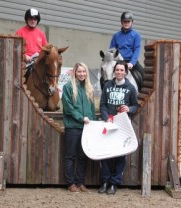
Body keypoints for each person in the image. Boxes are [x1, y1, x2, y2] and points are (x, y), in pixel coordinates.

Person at [98, 60, 139, 195]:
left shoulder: (131, 88)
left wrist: (129, 108)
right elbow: (102, 104)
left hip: (122, 125)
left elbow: (135, 106)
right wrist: (106, 117)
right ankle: (104, 181)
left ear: (126, 72)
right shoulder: (107, 85)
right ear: (114, 71)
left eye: (122, 70)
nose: (119, 72)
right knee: (106, 153)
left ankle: (114, 183)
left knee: (120, 154)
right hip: (109, 123)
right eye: (117, 70)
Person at [61, 62, 96, 193]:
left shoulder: (89, 88)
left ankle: (80, 182)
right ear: (74, 72)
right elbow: (68, 107)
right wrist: (81, 118)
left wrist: (92, 121)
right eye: (79, 71)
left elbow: (92, 108)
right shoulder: (68, 87)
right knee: (71, 156)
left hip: (86, 128)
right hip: (73, 127)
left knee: (83, 156)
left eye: (84, 71)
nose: (82, 74)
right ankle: (71, 183)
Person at [110, 11, 144, 90]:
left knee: (143, 74)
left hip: (130, 62)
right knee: (106, 74)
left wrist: (132, 62)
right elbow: (112, 50)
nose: (126, 23)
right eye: (124, 21)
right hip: (118, 61)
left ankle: (142, 94)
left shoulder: (136, 35)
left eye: (128, 21)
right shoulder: (116, 35)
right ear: (121, 22)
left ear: (132, 22)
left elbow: (137, 49)